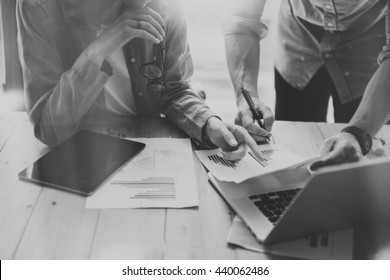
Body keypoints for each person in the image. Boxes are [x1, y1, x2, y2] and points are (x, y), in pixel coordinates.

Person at [16, 0, 261, 158]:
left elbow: (175, 89)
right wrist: (100, 49)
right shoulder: (39, 7)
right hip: (82, 150)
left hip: (149, 141)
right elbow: (48, 130)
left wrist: (208, 123)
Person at [222, 0, 387, 143]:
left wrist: (357, 134)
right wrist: (247, 97)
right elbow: (242, 16)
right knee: (294, 151)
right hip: (297, 45)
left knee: (366, 159)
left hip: (371, 53)